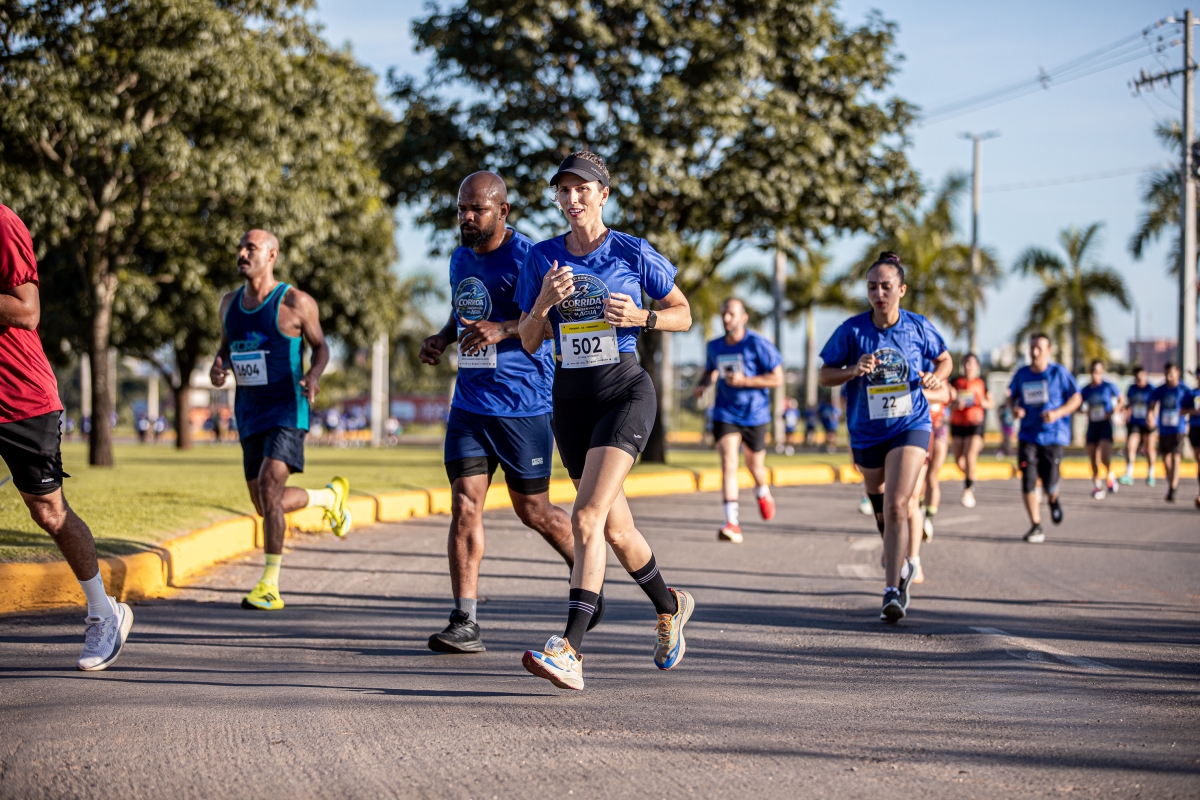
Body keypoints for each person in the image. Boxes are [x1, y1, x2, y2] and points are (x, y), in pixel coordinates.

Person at [516, 151, 695, 690]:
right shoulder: (542, 258)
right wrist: (543, 303)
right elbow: (529, 341)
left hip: (624, 392)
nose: (572, 198)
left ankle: (570, 649)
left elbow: (684, 313)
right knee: (616, 530)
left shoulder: (632, 251)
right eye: (563, 190)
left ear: (603, 195)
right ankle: (670, 606)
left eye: (582, 189)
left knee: (587, 517)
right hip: (570, 403)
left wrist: (643, 316)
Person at [418, 172, 585, 653]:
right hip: (469, 403)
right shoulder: (459, 257)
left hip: (522, 404)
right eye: (462, 209)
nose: (467, 217)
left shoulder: (531, 257)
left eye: (477, 209)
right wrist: (443, 337)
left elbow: (554, 323)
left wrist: (505, 329)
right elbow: (465, 311)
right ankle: (464, 620)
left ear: (503, 211)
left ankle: (587, 577)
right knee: (465, 504)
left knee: (533, 510)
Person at [0, 204, 134, 671]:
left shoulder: (3, 224)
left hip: (22, 399)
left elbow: (27, 311)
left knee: (48, 511)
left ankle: (104, 612)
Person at [211, 229, 351, 611]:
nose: (242, 253)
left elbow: (321, 346)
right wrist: (219, 366)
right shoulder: (229, 304)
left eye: (251, 248)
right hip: (249, 412)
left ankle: (269, 585)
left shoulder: (295, 302)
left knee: (271, 488)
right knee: (264, 503)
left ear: (272, 255)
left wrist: (314, 375)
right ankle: (328, 498)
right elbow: (225, 347)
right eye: (240, 247)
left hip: (288, 409)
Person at [819, 251, 951, 623]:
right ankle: (899, 556)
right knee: (880, 506)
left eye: (886, 286)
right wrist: (852, 370)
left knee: (897, 505)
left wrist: (936, 376)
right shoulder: (853, 330)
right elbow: (825, 374)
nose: (879, 293)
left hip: (911, 424)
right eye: (872, 287)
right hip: (867, 431)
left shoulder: (917, 327)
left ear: (901, 290)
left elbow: (944, 359)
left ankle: (893, 589)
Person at [693, 297, 782, 543]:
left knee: (755, 467)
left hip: (755, 414)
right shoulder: (714, 346)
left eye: (731, 314)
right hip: (725, 412)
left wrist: (746, 381)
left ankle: (762, 491)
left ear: (743, 318)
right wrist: (702, 384)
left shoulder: (757, 344)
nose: (726, 318)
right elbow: (710, 370)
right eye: (723, 314)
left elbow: (777, 378)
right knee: (729, 462)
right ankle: (732, 522)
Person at [1008, 333, 1081, 543]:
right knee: (1028, 481)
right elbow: (1011, 397)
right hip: (1028, 436)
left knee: (1050, 484)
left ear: (1048, 351)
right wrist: (1014, 409)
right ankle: (1036, 525)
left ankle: (1053, 498)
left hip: (1053, 436)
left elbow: (1076, 398)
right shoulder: (1022, 374)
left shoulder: (1059, 373)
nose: (1035, 352)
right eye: (1032, 347)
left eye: (1039, 348)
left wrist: (1057, 413)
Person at [950, 353, 993, 507]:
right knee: (958, 461)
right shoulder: (955, 382)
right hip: (957, 424)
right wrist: (955, 404)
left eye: (971, 363)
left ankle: (968, 490)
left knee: (970, 455)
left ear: (977, 366)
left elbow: (990, 403)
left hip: (975, 423)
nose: (968, 366)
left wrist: (980, 401)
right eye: (966, 363)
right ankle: (970, 476)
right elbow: (948, 402)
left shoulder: (982, 382)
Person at [1080, 359, 1123, 499]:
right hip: (1092, 425)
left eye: (1098, 372)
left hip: (1105, 424)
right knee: (1093, 457)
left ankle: (1110, 475)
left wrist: (1113, 411)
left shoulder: (1108, 386)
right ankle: (1097, 486)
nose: (1095, 374)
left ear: (1102, 372)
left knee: (1104, 456)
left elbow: (1121, 399)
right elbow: (1078, 405)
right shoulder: (1086, 389)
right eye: (1093, 371)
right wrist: (1084, 410)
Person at [1148, 363, 1191, 503]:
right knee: (1166, 459)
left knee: (1176, 457)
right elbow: (1152, 404)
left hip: (1179, 428)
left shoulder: (1184, 389)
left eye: (1171, 374)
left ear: (1178, 373)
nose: (1168, 377)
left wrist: (1183, 412)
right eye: (1166, 374)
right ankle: (1171, 483)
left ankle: (1173, 487)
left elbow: (1193, 407)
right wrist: (1150, 415)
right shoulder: (1160, 389)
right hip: (1164, 429)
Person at [1118, 366, 1157, 487]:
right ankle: (1129, 474)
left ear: (1145, 375)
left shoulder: (1151, 389)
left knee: (1149, 449)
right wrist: (1126, 413)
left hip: (1147, 422)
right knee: (1130, 446)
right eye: (1137, 377)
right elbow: (1129, 404)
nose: (1139, 379)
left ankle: (1151, 474)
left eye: (1141, 376)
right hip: (1135, 422)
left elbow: (1155, 404)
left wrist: (1152, 416)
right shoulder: (1132, 388)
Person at [920, 389, 950, 540]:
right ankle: (918, 511)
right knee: (920, 477)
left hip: (937, 428)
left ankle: (929, 519)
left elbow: (949, 396)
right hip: (918, 427)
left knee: (932, 475)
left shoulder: (943, 380)